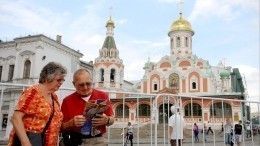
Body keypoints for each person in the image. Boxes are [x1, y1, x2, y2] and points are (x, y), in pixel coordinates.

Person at [8, 62, 67, 146]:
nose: (61, 82)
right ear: (48, 78)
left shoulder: (54, 96)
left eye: (62, 80)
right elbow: (16, 118)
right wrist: (26, 143)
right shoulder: (33, 92)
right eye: (58, 80)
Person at [60, 69, 114, 146]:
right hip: (74, 139)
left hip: (97, 140)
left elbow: (112, 119)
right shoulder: (67, 101)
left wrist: (106, 120)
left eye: (88, 84)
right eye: (81, 85)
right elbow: (60, 127)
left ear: (92, 81)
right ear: (74, 84)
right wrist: (71, 123)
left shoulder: (103, 95)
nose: (85, 87)